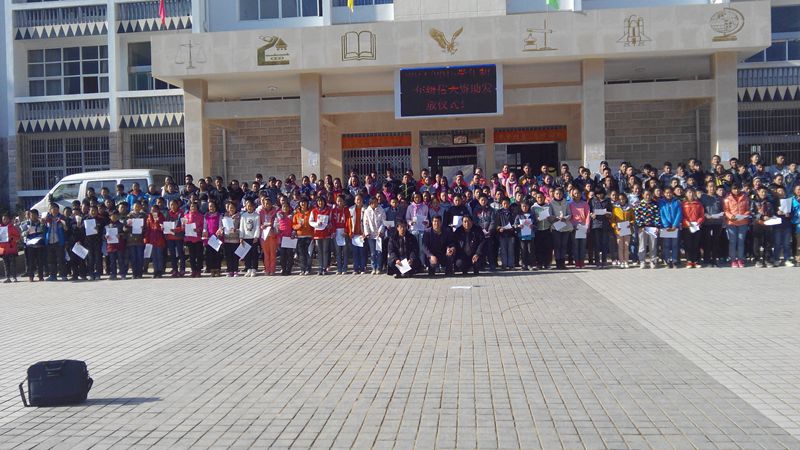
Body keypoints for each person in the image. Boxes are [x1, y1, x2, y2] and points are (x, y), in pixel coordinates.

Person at [724, 183, 751, 268]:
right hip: (732, 222)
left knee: (741, 241)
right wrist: (731, 216)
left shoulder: (745, 197)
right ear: (731, 190)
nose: (736, 190)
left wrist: (744, 215)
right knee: (732, 242)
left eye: (738, 188)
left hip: (742, 222)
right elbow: (726, 210)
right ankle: (733, 260)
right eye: (734, 189)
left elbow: (748, 209)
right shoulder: (727, 199)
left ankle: (740, 259)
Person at [700, 183, 725, 267]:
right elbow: (700, 208)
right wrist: (705, 214)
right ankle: (706, 259)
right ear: (707, 188)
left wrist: (721, 214)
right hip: (707, 223)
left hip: (717, 223)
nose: (712, 188)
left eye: (713, 186)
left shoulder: (719, 198)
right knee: (707, 241)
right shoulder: (703, 197)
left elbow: (722, 209)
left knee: (715, 241)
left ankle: (714, 259)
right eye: (710, 186)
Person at [635, 190, 661, 269]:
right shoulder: (638, 204)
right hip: (642, 228)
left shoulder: (654, 204)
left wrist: (657, 226)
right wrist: (641, 225)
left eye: (649, 194)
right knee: (642, 245)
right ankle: (642, 261)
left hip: (652, 228)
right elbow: (637, 216)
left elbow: (657, 215)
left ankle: (652, 261)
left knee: (653, 245)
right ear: (643, 195)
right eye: (646, 195)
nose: (648, 196)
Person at [750, 186, 775, 268]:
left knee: (768, 243)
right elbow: (752, 212)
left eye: (765, 192)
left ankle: (767, 259)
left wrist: (771, 216)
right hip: (758, 223)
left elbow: (772, 212)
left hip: (768, 223)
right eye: (762, 192)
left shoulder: (769, 201)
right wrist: (761, 216)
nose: (763, 193)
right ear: (758, 192)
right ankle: (757, 260)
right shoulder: (754, 201)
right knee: (757, 243)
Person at [659, 187, 682, 268]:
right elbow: (661, 214)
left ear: (672, 193)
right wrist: (666, 225)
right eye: (667, 193)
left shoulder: (677, 202)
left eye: (670, 193)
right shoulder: (661, 202)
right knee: (666, 245)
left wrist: (674, 225)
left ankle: (675, 260)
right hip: (665, 227)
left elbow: (679, 214)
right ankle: (667, 260)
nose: (668, 194)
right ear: (664, 194)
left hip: (675, 227)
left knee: (675, 245)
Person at [681, 189, 705, 268]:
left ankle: (696, 261)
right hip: (687, 227)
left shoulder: (698, 204)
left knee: (696, 244)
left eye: (692, 193)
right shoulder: (683, 204)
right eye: (689, 192)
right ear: (686, 194)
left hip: (696, 226)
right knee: (688, 244)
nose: (691, 194)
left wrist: (698, 222)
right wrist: (686, 222)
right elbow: (681, 215)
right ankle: (689, 261)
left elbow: (702, 215)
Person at [589, 188, 613, 268]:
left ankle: (604, 261)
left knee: (604, 243)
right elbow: (589, 211)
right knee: (597, 244)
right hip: (596, 224)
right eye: (598, 194)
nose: (599, 195)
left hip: (605, 224)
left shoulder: (607, 201)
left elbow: (611, 211)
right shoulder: (592, 201)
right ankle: (597, 261)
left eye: (601, 193)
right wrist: (592, 215)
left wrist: (608, 214)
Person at [310, 196, 333, 275]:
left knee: (325, 250)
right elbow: (310, 221)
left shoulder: (328, 210)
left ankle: (324, 267)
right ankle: (320, 266)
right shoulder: (314, 211)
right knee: (319, 251)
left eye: (322, 201)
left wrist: (329, 225)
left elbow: (331, 220)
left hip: (326, 233)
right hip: (317, 233)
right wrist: (316, 224)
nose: (320, 203)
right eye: (319, 201)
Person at [363, 195, 386, 275]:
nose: (375, 204)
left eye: (376, 202)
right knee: (373, 253)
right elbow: (365, 223)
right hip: (371, 235)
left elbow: (383, 222)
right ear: (370, 203)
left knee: (379, 252)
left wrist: (381, 231)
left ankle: (379, 267)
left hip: (379, 235)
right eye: (373, 203)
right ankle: (373, 267)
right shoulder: (367, 211)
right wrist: (367, 233)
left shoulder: (381, 210)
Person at [125, 201, 148, 279]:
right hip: (131, 240)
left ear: (141, 207)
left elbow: (147, 227)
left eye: (138, 206)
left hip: (140, 239)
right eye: (135, 206)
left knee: (140, 257)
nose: (137, 208)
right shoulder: (129, 216)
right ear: (132, 207)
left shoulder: (144, 216)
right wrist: (128, 226)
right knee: (133, 257)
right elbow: (125, 227)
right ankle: (134, 273)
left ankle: (140, 273)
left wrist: (143, 228)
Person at [611, 194, 634, 268]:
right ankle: (621, 262)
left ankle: (626, 261)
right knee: (620, 247)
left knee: (626, 246)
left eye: (623, 199)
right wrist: (615, 226)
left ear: (625, 199)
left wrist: (630, 223)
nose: (621, 200)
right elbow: (612, 220)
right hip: (619, 230)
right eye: (620, 199)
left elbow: (633, 219)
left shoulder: (629, 208)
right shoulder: (615, 208)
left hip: (627, 229)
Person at [239, 199, 261, 277]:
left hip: (253, 238)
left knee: (254, 253)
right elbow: (241, 227)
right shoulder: (243, 216)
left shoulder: (257, 215)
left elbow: (257, 227)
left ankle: (254, 269)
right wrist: (241, 237)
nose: (249, 207)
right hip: (246, 237)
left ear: (253, 206)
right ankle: (248, 268)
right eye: (248, 206)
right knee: (247, 254)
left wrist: (256, 236)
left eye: (251, 206)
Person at [183, 201, 205, 277]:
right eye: (192, 206)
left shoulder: (201, 216)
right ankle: (193, 270)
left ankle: (198, 270)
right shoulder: (185, 216)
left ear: (197, 207)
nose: (193, 208)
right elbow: (183, 227)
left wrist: (198, 230)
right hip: (189, 238)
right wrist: (184, 226)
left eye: (195, 206)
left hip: (198, 238)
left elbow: (203, 226)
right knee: (191, 256)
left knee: (199, 255)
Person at [164, 199, 186, 277]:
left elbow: (184, 226)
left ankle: (182, 269)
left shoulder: (182, 214)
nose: (172, 206)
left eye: (174, 204)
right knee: (172, 255)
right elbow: (165, 224)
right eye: (171, 205)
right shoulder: (167, 214)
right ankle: (175, 270)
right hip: (170, 237)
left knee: (181, 254)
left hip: (179, 237)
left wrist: (176, 230)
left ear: (177, 205)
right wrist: (164, 227)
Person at [144, 204, 166, 278]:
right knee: (154, 256)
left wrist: (157, 222)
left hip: (159, 239)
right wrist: (146, 238)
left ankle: (160, 271)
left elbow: (162, 228)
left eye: (155, 210)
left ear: (158, 210)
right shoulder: (149, 218)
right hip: (152, 239)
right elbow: (148, 229)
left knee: (159, 255)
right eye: (152, 210)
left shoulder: (162, 217)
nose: (153, 212)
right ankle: (155, 271)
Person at [292, 198, 314, 275]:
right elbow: (293, 225)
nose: (303, 204)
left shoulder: (311, 213)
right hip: (300, 236)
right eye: (301, 202)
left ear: (307, 204)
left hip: (309, 236)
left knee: (309, 253)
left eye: (304, 202)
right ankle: (302, 269)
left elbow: (313, 224)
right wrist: (299, 225)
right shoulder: (296, 214)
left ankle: (308, 269)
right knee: (301, 254)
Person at [258, 196, 279, 276]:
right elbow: (259, 223)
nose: (267, 205)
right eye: (266, 203)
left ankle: (272, 269)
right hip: (264, 235)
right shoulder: (261, 212)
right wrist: (261, 226)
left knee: (273, 253)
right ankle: (267, 269)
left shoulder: (275, 212)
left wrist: (272, 225)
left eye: (269, 203)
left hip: (272, 235)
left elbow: (277, 222)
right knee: (266, 254)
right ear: (263, 204)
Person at [331, 195, 351, 275]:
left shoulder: (346, 210)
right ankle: (339, 268)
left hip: (344, 232)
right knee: (338, 251)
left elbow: (348, 221)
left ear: (343, 202)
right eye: (338, 201)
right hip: (336, 232)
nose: (339, 203)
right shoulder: (333, 210)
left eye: (341, 201)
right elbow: (332, 221)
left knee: (345, 251)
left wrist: (346, 231)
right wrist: (333, 231)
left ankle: (345, 268)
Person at [222, 201, 242, 277]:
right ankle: (230, 270)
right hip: (227, 239)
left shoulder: (239, 217)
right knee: (228, 256)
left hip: (235, 240)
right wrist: (221, 230)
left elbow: (242, 229)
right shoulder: (225, 217)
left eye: (233, 208)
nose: (231, 209)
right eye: (230, 208)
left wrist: (236, 230)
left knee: (235, 256)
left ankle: (235, 270)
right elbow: (222, 227)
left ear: (235, 208)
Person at [514, 201, 536, 270]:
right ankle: (524, 264)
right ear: (521, 207)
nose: (524, 208)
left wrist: (533, 226)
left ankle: (530, 264)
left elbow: (536, 224)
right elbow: (515, 224)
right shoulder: (519, 215)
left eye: (526, 206)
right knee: (523, 250)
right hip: (522, 236)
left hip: (530, 235)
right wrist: (518, 226)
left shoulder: (532, 215)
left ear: (528, 206)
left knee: (530, 250)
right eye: (523, 206)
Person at [204, 200, 223, 277]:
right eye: (210, 206)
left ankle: (218, 269)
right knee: (210, 254)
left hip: (216, 237)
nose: (211, 208)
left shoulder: (219, 215)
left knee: (217, 254)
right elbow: (205, 226)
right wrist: (204, 231)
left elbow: (220, 225)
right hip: (209, 238)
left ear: (215, 207)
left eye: (212, 206)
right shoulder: (206, 216)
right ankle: (212, 269)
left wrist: (219, 231)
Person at [495, 198, 516, 270]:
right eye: (504, 203)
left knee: (511, 250)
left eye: (507, 203)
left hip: (511, 233)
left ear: (509, 204)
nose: (505, 205)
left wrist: (513, 227)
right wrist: (499, 228)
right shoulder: (499, 212)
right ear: (501, 204)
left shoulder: (512, 212)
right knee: (503, 250)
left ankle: (510, 265)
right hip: (502, 234)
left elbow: (515, 222)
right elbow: (496, 223)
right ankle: (504, 264)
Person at [275, 202, 295, 276]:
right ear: (281, 208)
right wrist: (277, 230)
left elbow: (294, 226)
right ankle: (283, 269)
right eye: (284, 207)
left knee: (290, 254)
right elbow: (276, 225)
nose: (285, 208)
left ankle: (288, 270)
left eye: (287, 207)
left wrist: (293, 234)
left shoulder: (292, 216)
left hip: (290, 238)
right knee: (282, 255)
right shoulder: (279, 216)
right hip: (282, 238)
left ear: (289, 208)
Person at [349, 194, 367, 274]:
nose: (358, 201)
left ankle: (363, 268)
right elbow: (349, 223)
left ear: (362, 200)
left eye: (360, 199)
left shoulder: (366, 209)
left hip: (362, 234)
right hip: (354, 234)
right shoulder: (351, 209)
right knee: (355, 252)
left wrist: (365, 232)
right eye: (357, 199)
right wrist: (350, 232)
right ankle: (355, 268)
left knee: (362, 252)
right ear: (354, 201)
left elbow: (367, 222)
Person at [0, 214, 21, 282]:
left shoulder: (12, 227)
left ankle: (14, 277)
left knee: (12, 264)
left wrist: (11, 238)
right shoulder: (0, 228)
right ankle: (8, 277)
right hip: (3, 249)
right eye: (4, 219)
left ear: (9, 219)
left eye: (6, 219)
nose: (5, 220)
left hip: (11, 248)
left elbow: (18, 237)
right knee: (6, 265)